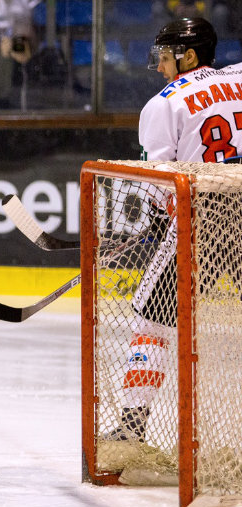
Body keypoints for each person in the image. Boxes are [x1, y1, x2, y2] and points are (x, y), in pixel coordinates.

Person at [109, 17, 235, 442]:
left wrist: (163, 220)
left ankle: (130, 428)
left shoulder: (162, 104)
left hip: (209, 217)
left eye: (166, 57)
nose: (162, 67)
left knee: (152, 317)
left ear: (190, 56)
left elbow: (162, 189)